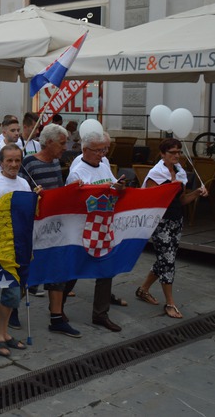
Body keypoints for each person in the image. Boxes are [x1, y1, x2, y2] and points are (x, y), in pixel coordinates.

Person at [136, 138, 207, 319]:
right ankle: (170, 303)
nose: (176, 155)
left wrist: (197, 192)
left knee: (166, 258)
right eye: (172, 153)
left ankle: (143, 290)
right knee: (168, 261)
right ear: (162, 154)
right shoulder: (156, 173)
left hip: (176, 220)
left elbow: (181, 200)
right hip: (161, 222)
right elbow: (150, 200)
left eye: (178, 152)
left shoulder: (179, 171)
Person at [22, 123, 81, 337]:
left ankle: (56, 317)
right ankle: (9, 310)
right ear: (49, 142)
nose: (65, 147)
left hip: (55, 226)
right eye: (62, 143)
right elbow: (20, 189)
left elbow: (58, 190)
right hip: (35, 227)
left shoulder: (56, 162)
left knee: (58, 269)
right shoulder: (28, 163)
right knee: (28, 271)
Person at [66, 130, 127, 332]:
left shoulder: (104, 166)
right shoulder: (77, 173)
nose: (102, 154)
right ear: (85, 150)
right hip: (83, 230)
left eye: (104, 150)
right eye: (98, 150)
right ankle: (57, 306)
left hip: (103, 227)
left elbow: (110, 186)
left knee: (105, 271)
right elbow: (72, 203)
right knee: (74, 270)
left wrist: (119, 187)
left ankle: (101, 314)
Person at [0, 144, 30, 357]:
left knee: (16, 291)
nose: (13, 164)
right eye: (9, 160)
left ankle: (5, 332)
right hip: (5, 246)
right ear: (0, 163)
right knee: (10, 291)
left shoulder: (24, 183)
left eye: (17, 160)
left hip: (23, 244)